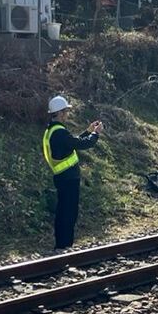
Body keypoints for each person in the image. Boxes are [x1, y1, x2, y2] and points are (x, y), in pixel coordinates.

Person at [43, 95, 103, 249]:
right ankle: (64, 245)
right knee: (68, 213)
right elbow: (82, 145)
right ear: (61, 113)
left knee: (63, 211)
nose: (67, 115)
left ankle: (62, 244)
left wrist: (87, 131)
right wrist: (95, 134)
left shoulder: (52, 131)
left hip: (62, 178)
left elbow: (72, 143)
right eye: (66, 112)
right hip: (68, 178)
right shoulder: (59, 132)